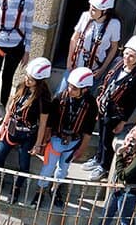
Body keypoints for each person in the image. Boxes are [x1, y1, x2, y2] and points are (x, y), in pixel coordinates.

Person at [0, 56, 52, 201]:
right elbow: (11, 107)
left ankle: (16, 189)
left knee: (24, 165)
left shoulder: (44, 99)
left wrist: (38, 144)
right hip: (12, 130)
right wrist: (3, 125)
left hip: (28, 135)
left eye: (31, 80)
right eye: (27, 77)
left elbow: (43, 124)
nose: (27, 80)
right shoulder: (22, 86)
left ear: (39, 81)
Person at [85, 34, 136, 180]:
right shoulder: (117, 62)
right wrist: (98, 101)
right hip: (103, 107)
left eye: (132, 56)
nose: (127, 58)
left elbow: (132, 102)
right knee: (101, 136)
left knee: (107, 141)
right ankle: (98, 158)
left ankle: (104, 166)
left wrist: (123, 121)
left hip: (115, 114)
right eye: (126, 53)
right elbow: (105, 81)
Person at [34, 66, 97, 208]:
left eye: (74, 88)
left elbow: (88, 130)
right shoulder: (60, 98)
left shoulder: (91, 105)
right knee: (47, 168)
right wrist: (44, 140)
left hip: (73, 142)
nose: (70, 90)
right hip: (56, 139)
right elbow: (49, 123)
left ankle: (55, 190)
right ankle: (40, 192)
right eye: (69, 86)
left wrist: (81, 149)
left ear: (84, 89)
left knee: (63, 169)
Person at [67, 0, 121, 84]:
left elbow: (114, 48)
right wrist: (69, 60)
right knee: (62, 90)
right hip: (76, 65)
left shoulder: (114, 24)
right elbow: (74, 38)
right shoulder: (85, 16)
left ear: (105, 11)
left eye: (94, 10)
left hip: (94, 70)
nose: (90, 12)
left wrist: (102, 69)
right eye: (90, 8)